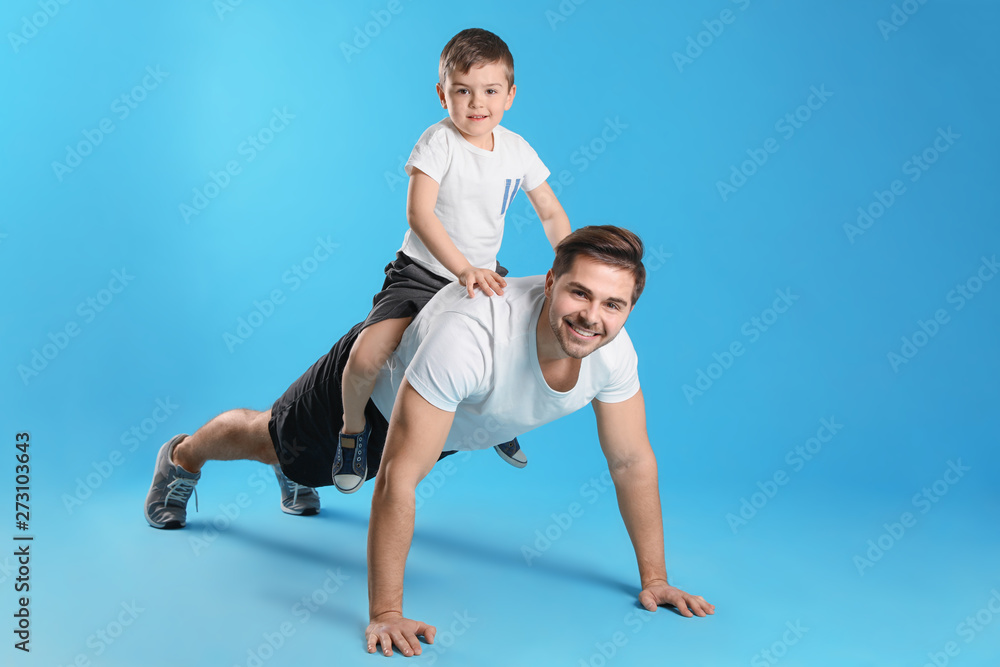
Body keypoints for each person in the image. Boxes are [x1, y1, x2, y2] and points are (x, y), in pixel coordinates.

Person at [143, 225, 715, 657]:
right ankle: (182, 456)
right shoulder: (472, 337)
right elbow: (400, 476)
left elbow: (631, 461)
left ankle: (296, 472)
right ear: (550, 283)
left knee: (325, 469)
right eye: (579, 294)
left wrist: (656, 579)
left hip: (447, 416)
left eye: (613, 304)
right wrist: (387, 612)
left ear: (629, 308)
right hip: (372, 398)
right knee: (269, 438)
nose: (592, 317)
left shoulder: (614, 355)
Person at [331, 26, 571, 497]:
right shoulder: (438, 142)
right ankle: (352, 431)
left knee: (509, 357)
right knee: (365, 357)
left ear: (510, 95)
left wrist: (568, 264)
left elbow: (550, 211)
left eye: (490, 91)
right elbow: (418, 214)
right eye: (463, 91)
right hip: (422, 275)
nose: (477, 103)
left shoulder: (517, 149)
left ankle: (499, 424)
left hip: (483, 278)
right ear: (443, 95)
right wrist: (462, 269)